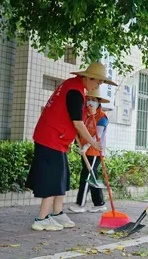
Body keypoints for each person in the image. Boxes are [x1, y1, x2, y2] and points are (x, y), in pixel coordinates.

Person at [26, 63, 117, 231]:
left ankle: (58, 213)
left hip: (57, 141)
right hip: (50, 138)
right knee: (52, 177)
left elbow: (72, 117)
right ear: (89, 78)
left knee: (62, 176)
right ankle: (42, 218)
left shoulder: (74, 87)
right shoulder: (74, 91)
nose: (98, 86)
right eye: (98, 82)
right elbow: (77, 123)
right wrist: (93, 142)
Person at [69, 88, 110, 213]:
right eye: (89, 99)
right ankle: (99, 204)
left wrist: (86, 146)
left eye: (94, 100)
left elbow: (97, 135)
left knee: (86, 176)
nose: (90, 102)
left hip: (95, 152)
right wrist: (78, 144)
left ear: (99, 102)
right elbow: (80, 130)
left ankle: (80, 204)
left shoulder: (102, 117)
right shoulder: (84, 114)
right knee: (92, 176)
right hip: (85, 151)